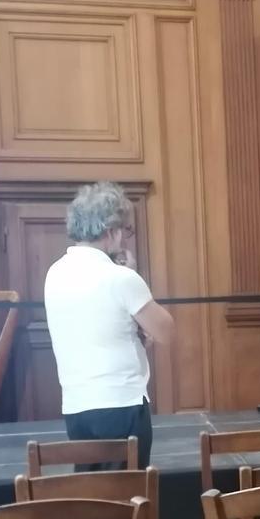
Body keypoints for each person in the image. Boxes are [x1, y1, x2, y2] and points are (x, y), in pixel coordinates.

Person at [43, 182, 173, 465]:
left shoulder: (54, 273)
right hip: (121, 405)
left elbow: (97, 326)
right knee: (130, 500)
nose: (125, 238)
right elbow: (166, 331)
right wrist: (135, 278)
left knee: (93, 498)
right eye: (125, 230)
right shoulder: (120, 278)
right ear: (110, 230)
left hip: (76, 407)